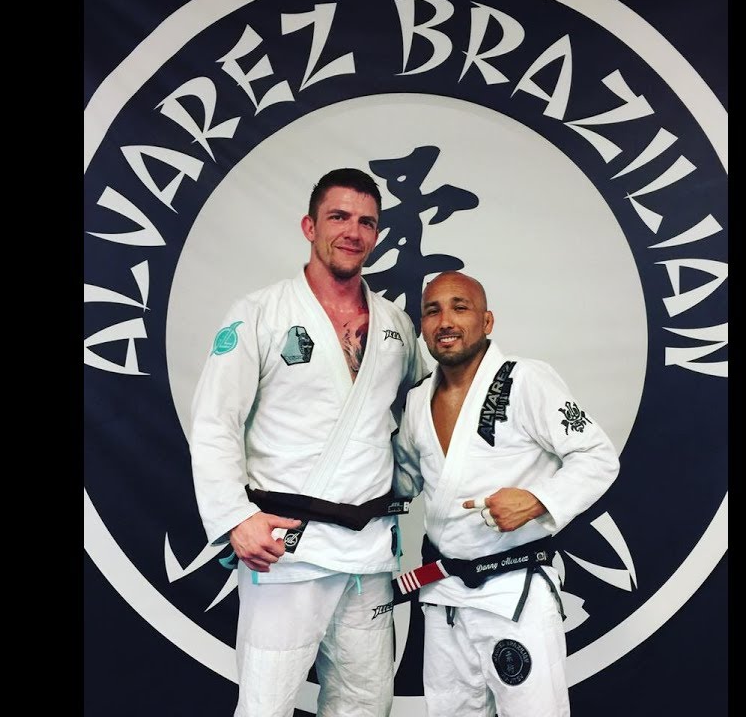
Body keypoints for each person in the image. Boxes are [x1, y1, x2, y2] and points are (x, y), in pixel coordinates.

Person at [188, 167, 425, 717]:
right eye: (339, 217)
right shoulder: (260, 313)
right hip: (285, 548)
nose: (353, 232)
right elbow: (215, 421)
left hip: (367, 551)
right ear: (309, 226)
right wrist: (234, 516)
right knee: (266, 704)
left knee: (366, 704)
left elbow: (418, 418)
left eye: (367, 222)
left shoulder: (395, 325)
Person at [391, 271, 620, 717]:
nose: (445, 321)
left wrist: (538, 500)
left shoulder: (527, 380)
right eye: (433, 311)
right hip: (444, 595)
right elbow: (402, 482)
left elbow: (597, 456)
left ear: (487, 321)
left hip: (514, 589)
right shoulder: (418, 399)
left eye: (460, 307)